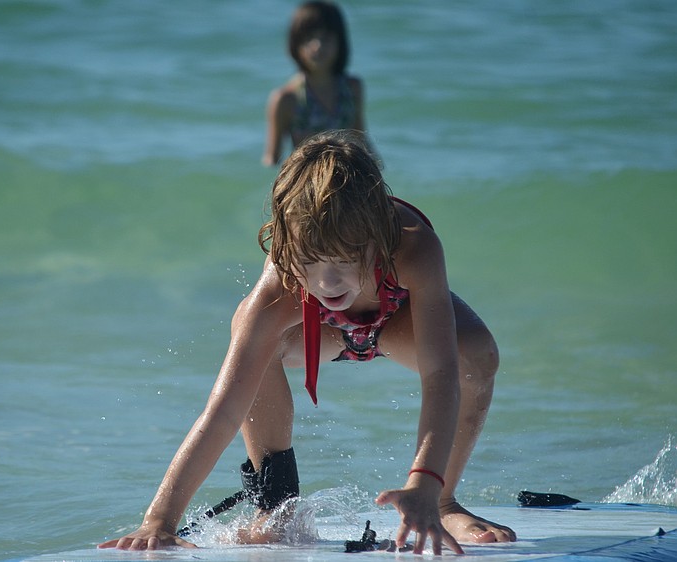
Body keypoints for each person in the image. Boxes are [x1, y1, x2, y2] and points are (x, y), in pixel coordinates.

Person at [100, 130, 516, 555]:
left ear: (376, 242)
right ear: (284, 247)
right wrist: (160, 520)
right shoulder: (279, 286)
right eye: (309, 263)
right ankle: (274, 508)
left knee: (477, 357)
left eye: (341, 261)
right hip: (318, 335)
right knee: (250, 333)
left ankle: (443, 503)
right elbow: (224, 410)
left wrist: (424, 483)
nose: (326, 281)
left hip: (399, 321)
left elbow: (439, 373)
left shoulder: (414, 248)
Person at [262, 1, 373, 166]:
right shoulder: (286, 99)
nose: (317, 46)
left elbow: (361, 140)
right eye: (309, 38)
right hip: (308, 182)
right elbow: (272, 159)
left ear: (339, 42)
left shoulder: (352, 89)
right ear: (296, 43)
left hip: (349, 180)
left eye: (325, 38)